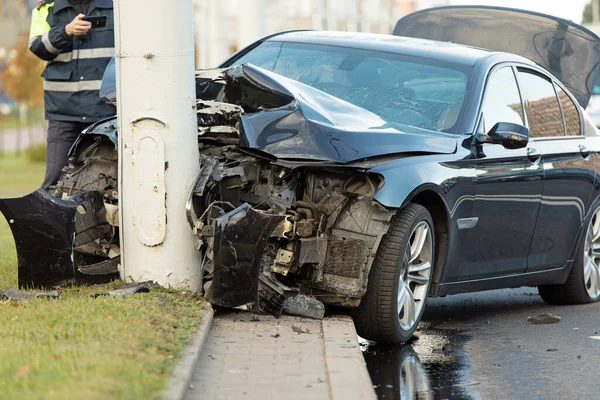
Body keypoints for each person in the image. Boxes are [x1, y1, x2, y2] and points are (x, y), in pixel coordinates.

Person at [28, 0, 115, 189]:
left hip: (105, 112)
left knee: (110, 180)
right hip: (64, 113)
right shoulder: (45, 8)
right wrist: (65, 31)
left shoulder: (117, 5)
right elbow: (37, 47)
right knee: (53, 183)